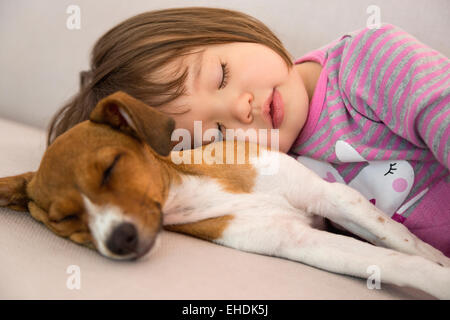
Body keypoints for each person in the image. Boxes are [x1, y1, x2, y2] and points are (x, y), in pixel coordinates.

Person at [47, 7, 449, 256]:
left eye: (221, 76)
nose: (242, 108)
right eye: (218, 134)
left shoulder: (370, 61)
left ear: (231, 28)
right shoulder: (273, 172)